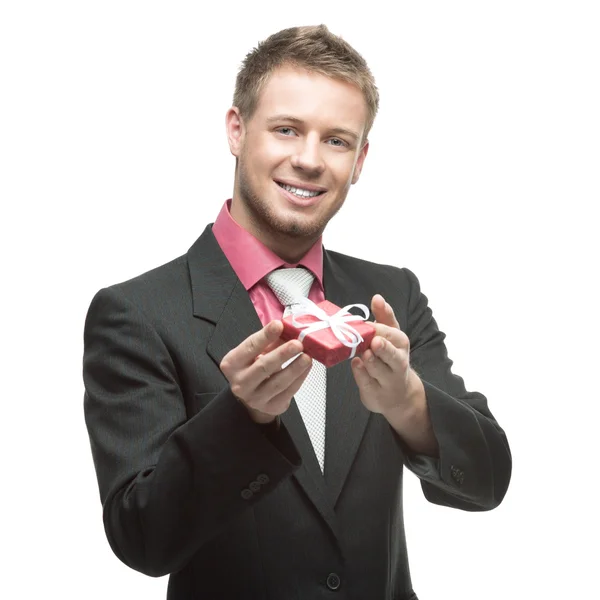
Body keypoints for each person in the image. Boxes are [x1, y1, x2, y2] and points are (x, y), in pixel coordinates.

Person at [83, 24, 511, 600]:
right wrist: (242, 420)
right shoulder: (137, 313)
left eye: (336, 140)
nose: (309, 160)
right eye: (286, 130)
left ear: (360, 160)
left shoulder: (393, 295)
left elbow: (486, 481)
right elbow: (142, 539)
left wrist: (408, 402)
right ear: (237, 131)